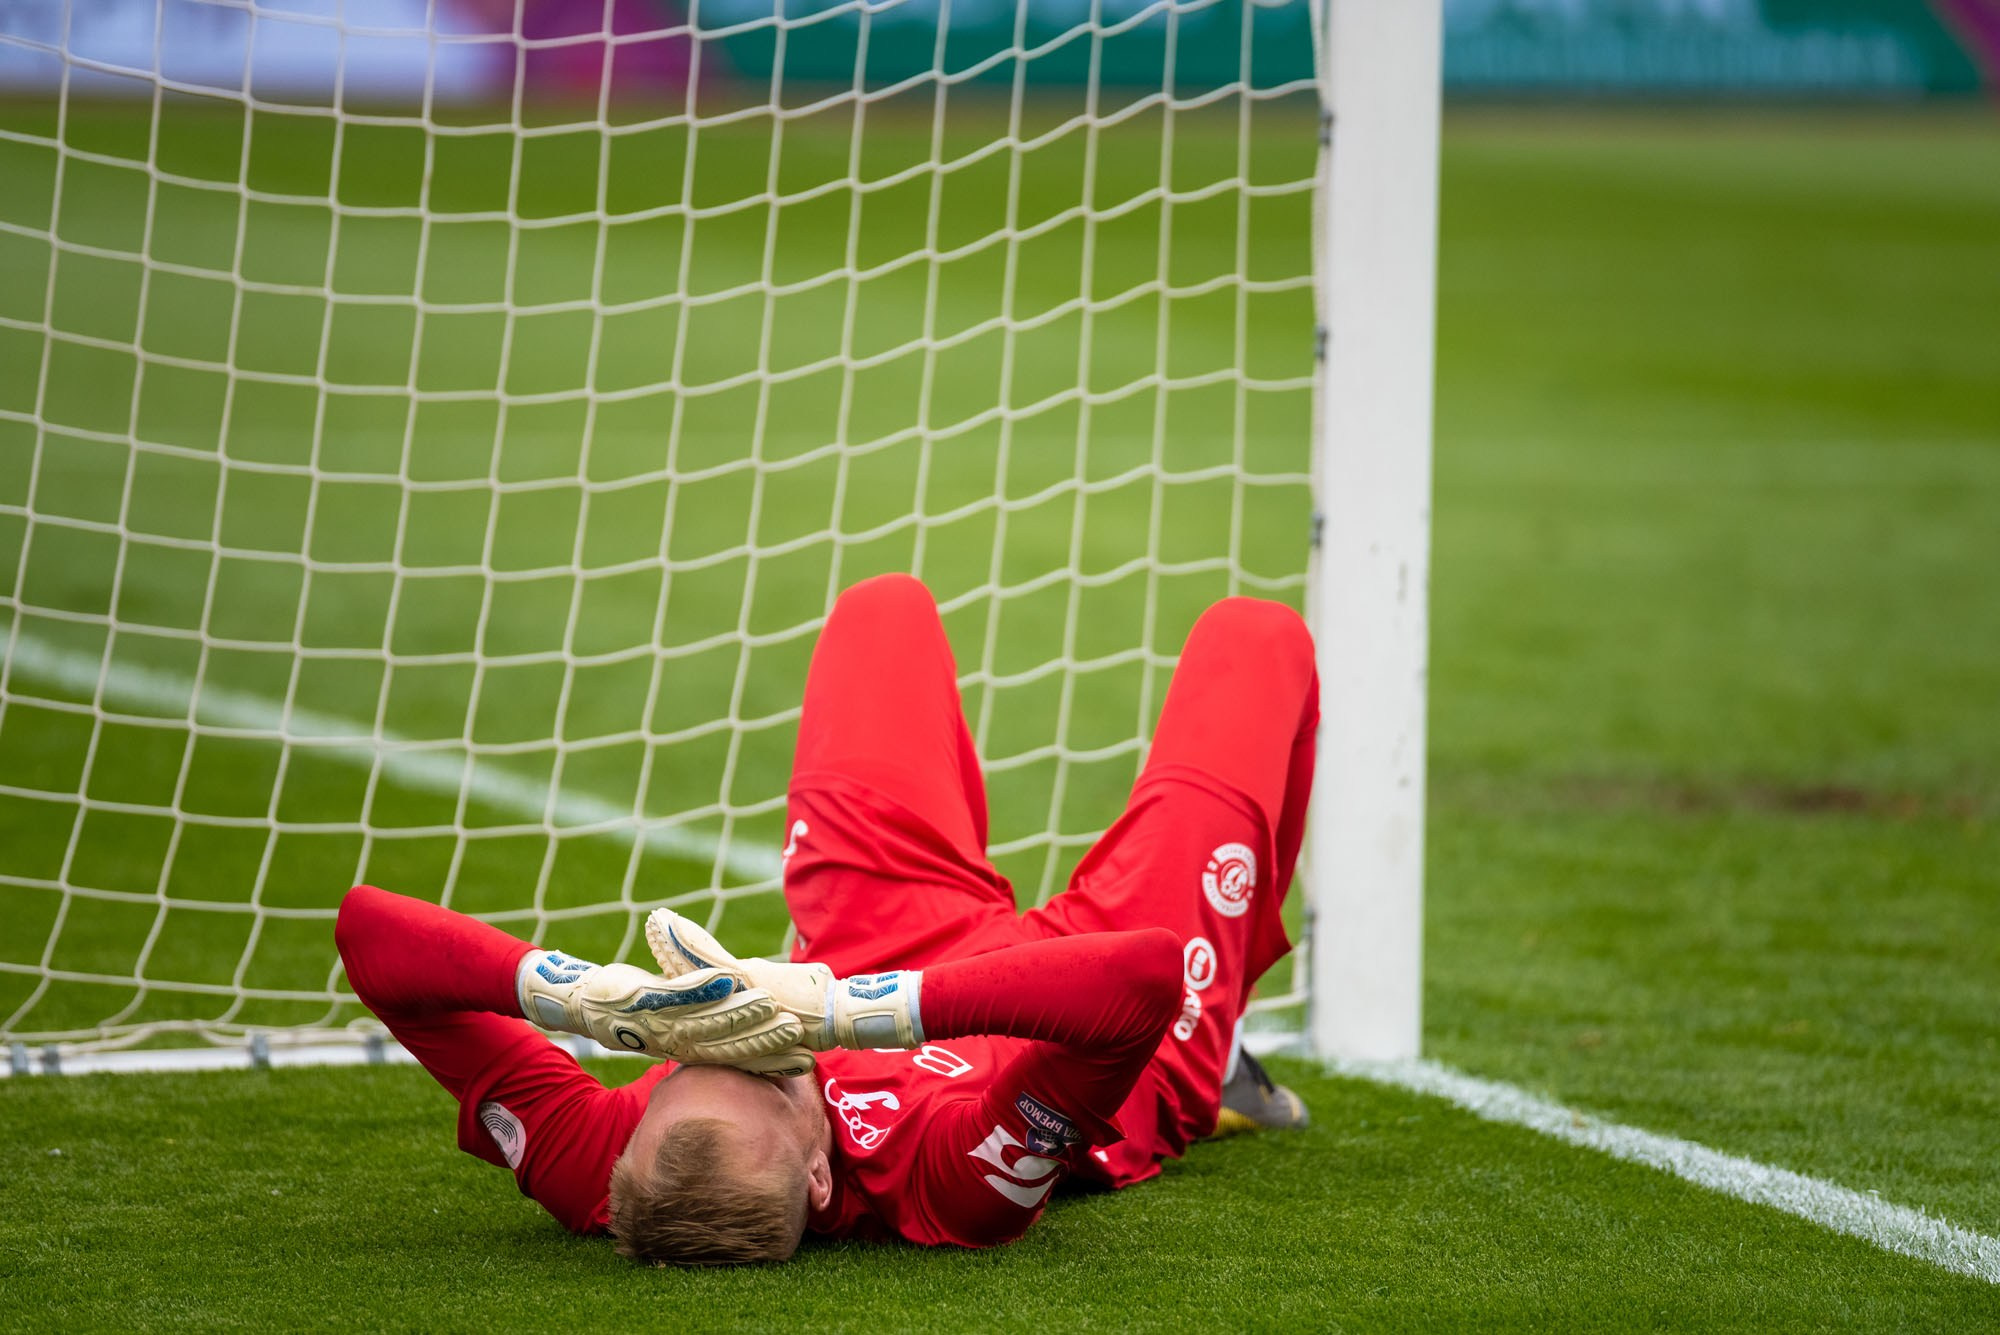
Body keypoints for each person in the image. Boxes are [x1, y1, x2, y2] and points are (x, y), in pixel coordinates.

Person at [335, 573, 1318, 1264]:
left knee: (880, 613)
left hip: (867, 945)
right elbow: (1131, 980)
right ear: (816, 1178)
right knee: (1257, 639)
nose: (729, 1048)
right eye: (770, 1079)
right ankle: (1220, 1056)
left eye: (680, 1064)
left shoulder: (604, 1165)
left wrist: (597, 1004)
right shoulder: (950, 1192)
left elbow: (372, 936)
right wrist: (834, 1020)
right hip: (1094, 1020)